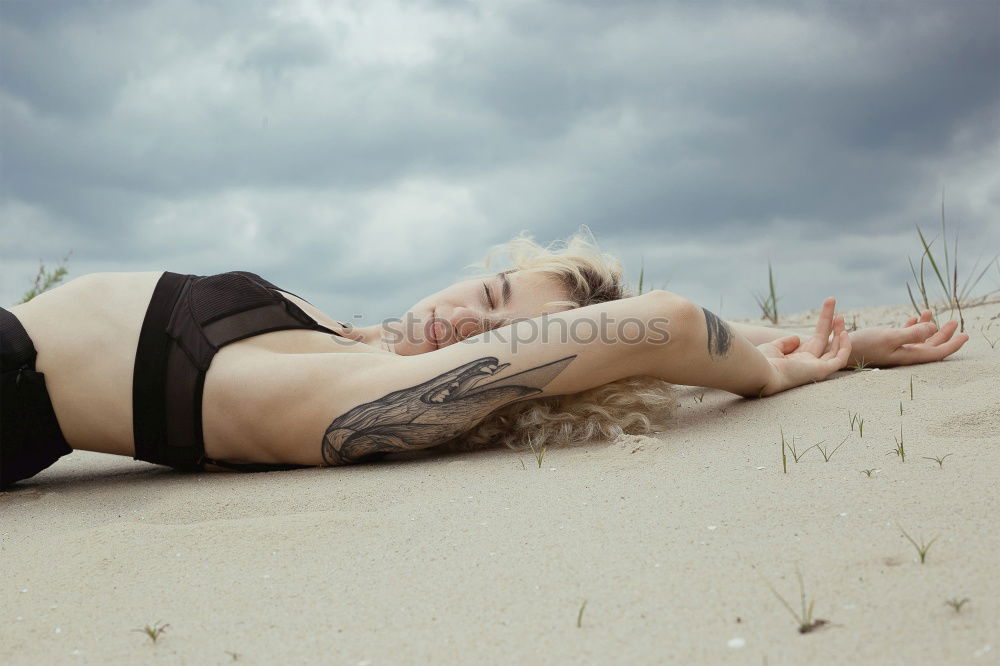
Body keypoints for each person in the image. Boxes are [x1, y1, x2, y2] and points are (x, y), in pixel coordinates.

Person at [0, 229, 969, 488]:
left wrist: (777, 373)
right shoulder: (345, 337)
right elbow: (661, 332)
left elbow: (665, 325)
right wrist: (815, 337)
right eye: (492, 296)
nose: (465, 325)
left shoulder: (367, 397)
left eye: (503, 338)